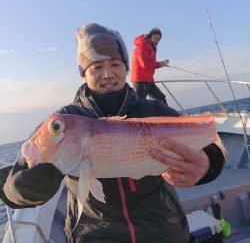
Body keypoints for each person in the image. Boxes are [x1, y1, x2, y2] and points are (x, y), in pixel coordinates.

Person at [0, 23, 226, 243]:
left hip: (163, 229)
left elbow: (208, 140)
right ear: (84, 73)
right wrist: (23, 191)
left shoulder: (153, 110)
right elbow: (10, 187)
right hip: (95, 234)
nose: (108, 74)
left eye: (116, 64)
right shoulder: (65, 120)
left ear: (126, 68)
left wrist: (208, 164)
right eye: (96, 67)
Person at [131, 27, 169, 104]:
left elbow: (150, 63)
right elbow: (145, 64)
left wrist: (161, 64)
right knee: (140, 103)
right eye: (155, 37)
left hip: (148, 80)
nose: (157, 40)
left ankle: (167, 115)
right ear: (150, 36)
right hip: (141, 80)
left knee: (161, 97)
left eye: (158, 38)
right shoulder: (142, 46)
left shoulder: (151, 47)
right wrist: (161, 64)